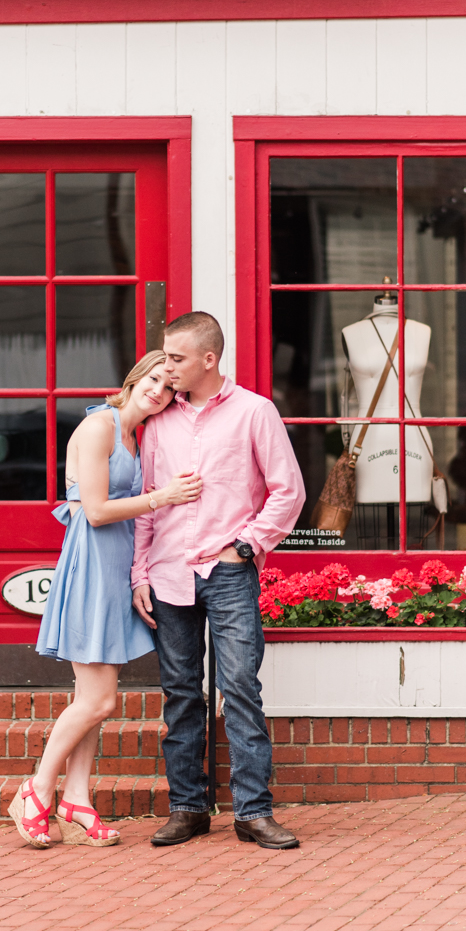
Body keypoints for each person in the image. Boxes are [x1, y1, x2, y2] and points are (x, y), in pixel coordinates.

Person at [9, 350, 202, 849]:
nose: (158, 391)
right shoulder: (101, 427)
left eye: (169, 388)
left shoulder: (138, 437)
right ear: (135, 377)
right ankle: (35, 791)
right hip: (92, 565)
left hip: (118, 569)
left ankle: (77, 800)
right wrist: (164, 497)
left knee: (91, 702)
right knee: (99, 700)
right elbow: (94, 511)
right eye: (153, 380)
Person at [132, 312, 305, 849]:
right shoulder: (158, 421)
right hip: (167, 572)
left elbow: (288, 490)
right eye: (164, 356)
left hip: (228, 573)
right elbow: (146, 504)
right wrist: (139, 572)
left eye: (177, 358)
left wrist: (246, 546)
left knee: (240, 690)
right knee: (180, 694)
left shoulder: (255, 412)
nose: (167, 367)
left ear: (210, 359)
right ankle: (187, 808)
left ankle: (253, 813)